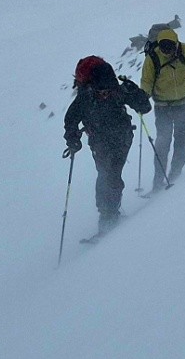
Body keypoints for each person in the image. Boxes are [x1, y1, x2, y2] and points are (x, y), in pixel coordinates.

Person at [63, 55, 151, 235]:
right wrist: (72, 139)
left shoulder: (104, 92)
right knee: (108, 175)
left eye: (106, 92)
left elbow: (145, 107)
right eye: (101, 92)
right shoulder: (95, 94)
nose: (104, 94)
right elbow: (70, 120)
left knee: (110, 174)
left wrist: (136, 94)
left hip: (117, 138)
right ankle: (108, 215)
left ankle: (109, 215)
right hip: (107, 140)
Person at [141, 27, 185, 191]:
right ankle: (159, 182)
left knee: (178, 138)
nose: (167, 52)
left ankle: (175, 175)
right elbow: (146, 81)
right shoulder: (152, 57)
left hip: (184, 104)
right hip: (163, 107)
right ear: (159, 45)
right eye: (164, 48)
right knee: (163, 142)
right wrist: (142, 96)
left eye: (170, 48)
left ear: (176, 44)